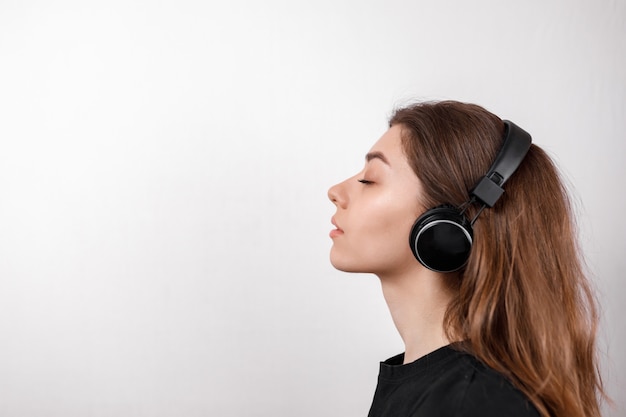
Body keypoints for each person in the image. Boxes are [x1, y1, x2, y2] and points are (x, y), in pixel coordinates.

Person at [327, 101, 605, 417]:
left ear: (446, 225)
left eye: (370, 179)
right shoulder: (442, 388)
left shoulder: (474, 402)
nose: (335, 191)